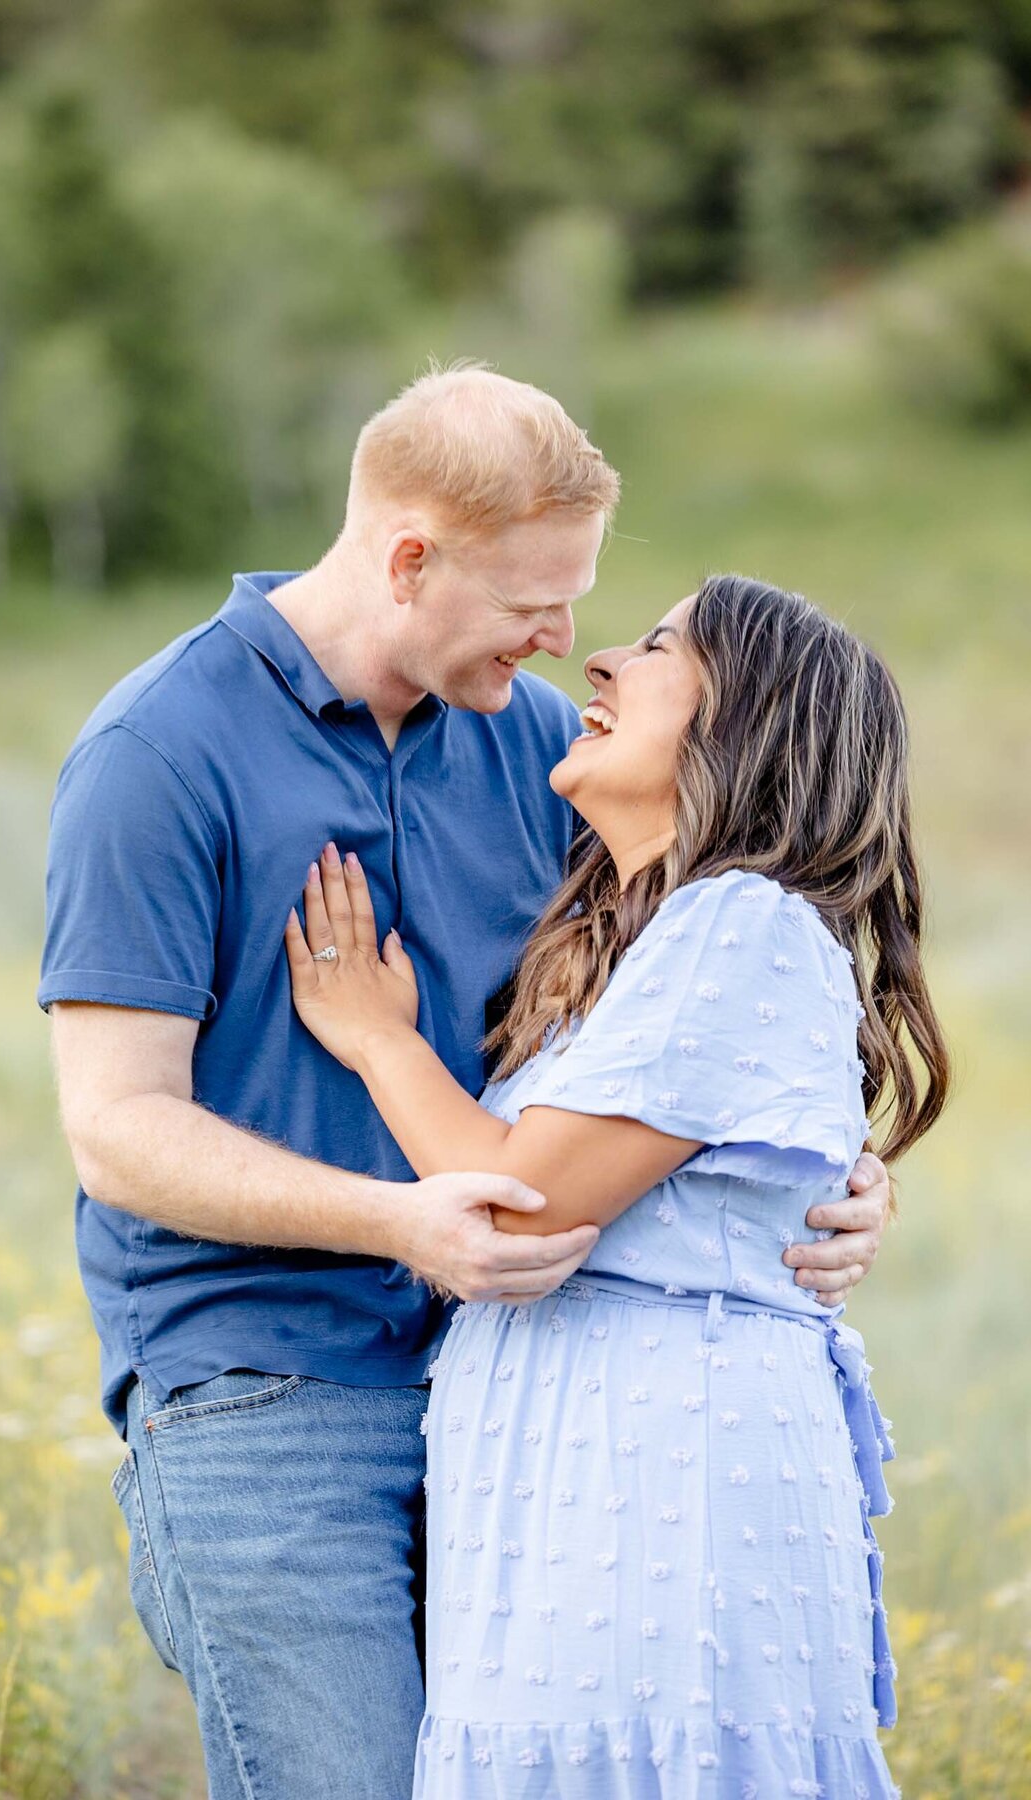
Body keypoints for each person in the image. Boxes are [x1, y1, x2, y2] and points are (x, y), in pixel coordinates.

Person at [39, 368, 891, 1800]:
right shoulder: (159, 754)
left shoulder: (545, 753)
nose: (568, 642)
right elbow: (119, 1134)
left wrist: (836, 1177)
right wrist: (406, 1224)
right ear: (411, 556)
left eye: (580, 602)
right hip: (269, 1391)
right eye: (534, 604)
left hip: (518, 1406)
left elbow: (686, 1033)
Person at [284, 573, 949, 1799]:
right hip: (578, 1477)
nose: (599, 665)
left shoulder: (740, 923)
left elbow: (512, 1195)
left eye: (655, 647)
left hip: (664, 1486)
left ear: (745, 720)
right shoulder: (652, 942)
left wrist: (379, 1039)